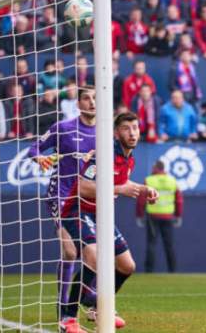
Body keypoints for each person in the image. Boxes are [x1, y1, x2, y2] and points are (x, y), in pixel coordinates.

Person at [59, 112, 159, 331]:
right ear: (116, 132)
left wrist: (143, 189)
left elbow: (121, 181)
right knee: (92, 255)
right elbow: (84, 186)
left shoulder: (128, 157)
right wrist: (118, 189)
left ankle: (98, 307)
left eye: (135, 127)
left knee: (127, 265)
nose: (132, 133)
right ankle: (68, 318)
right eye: (126, 128)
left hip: (101, 215)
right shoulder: (104, 154)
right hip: (77, 210)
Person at [28, 86, 97, 325]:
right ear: (78, 103)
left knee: (94, 252)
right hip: (61, 195)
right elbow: (34, 148)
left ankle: (90, 301)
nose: (92, 102)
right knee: (70, 251)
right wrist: (40, 158)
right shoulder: (63, 128)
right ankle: (63, 305)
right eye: (87, 98)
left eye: (96, 98)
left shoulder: (105, 135)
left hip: (88, 198)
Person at [136, 160, 183, 273]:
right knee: (169, 245)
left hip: (153, 216)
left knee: (151, 244)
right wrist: (178, 215)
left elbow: (141, 199)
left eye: (153, 167)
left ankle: (149, 270)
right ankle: (172, 271)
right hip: (168, 216)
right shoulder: (172, 181)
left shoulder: (149, 180)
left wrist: (140, 215)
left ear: (156, 168)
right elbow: (179, 200)